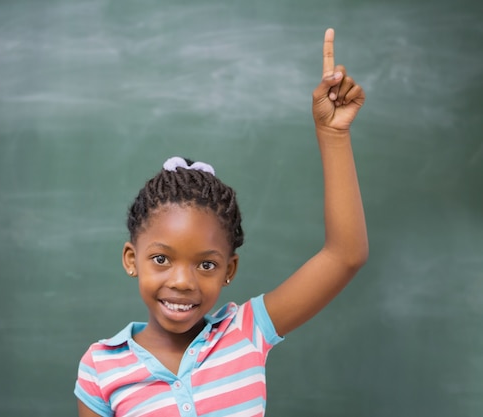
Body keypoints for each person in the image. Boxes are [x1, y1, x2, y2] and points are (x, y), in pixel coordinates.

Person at [75, 28, 368, 417]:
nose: (182, 281)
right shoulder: (102, 368)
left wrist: (333, 134)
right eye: (161, 259)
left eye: (206, 264)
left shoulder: (245, 333)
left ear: (229, 269)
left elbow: (345, 255)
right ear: (132, 259)